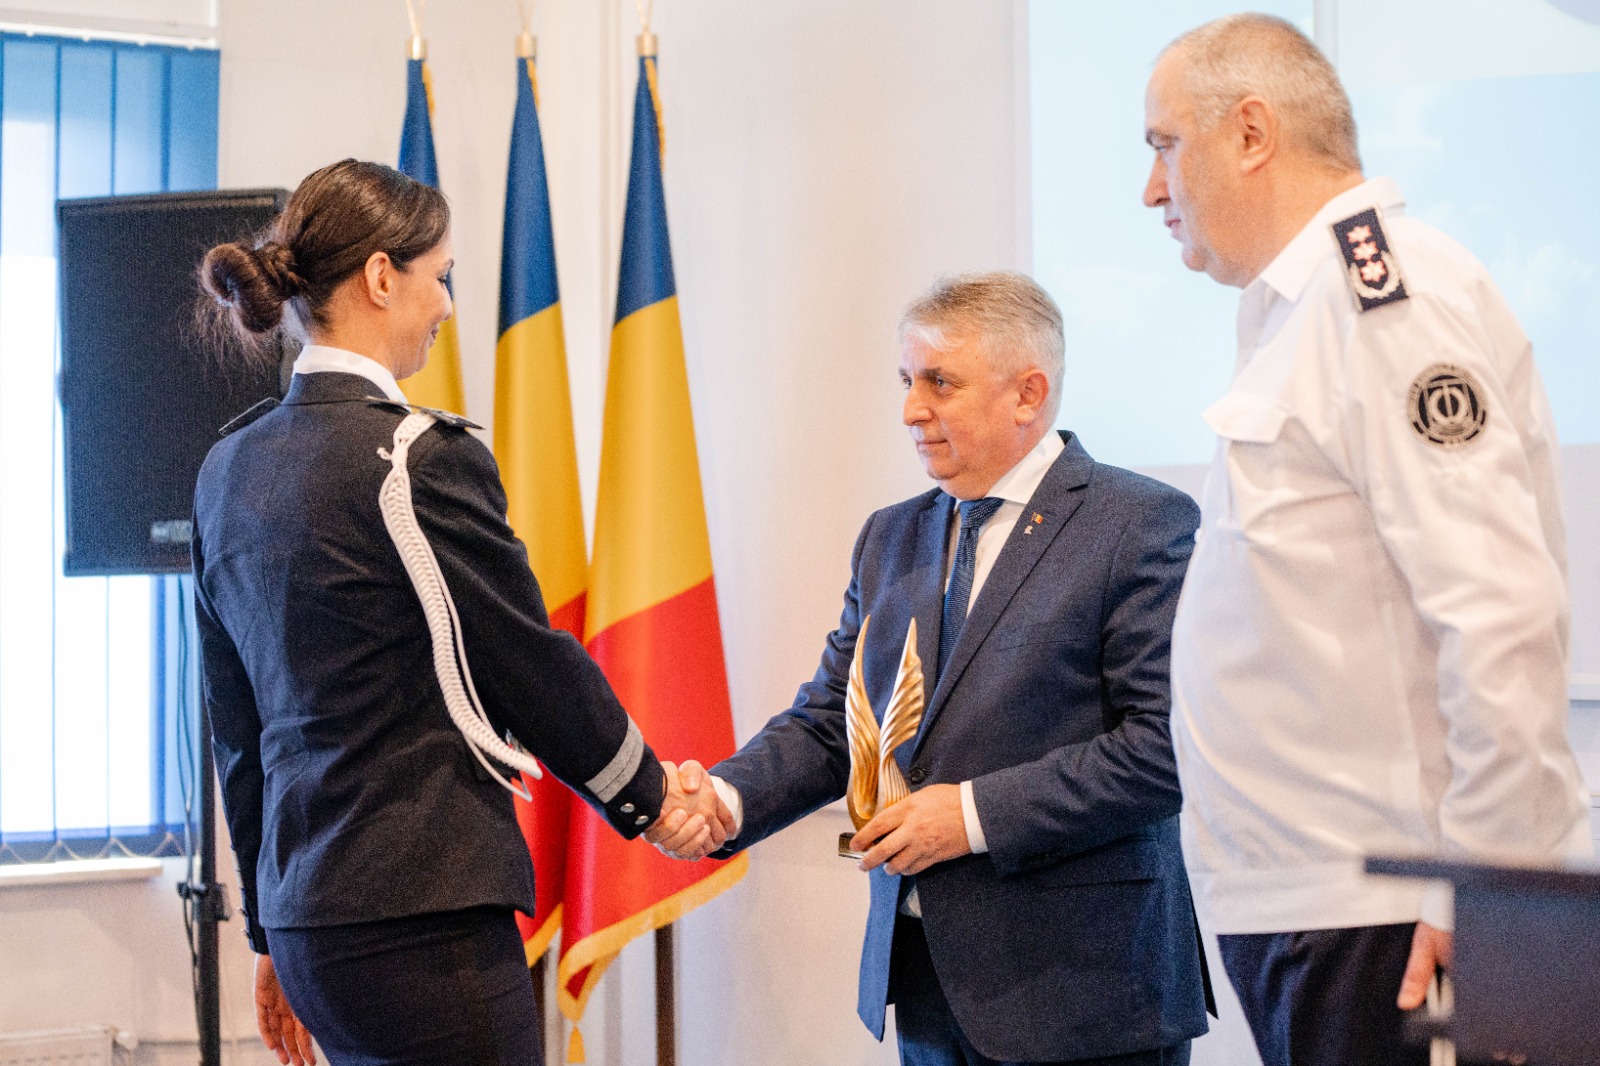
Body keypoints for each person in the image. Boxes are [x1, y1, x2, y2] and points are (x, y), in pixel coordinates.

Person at [193, 159, 722, 1066]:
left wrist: (269, 931)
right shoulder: (415, 460)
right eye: (440, 277)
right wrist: (651, 799)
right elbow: (528, 663)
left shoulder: (226, 468)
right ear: (381, 277)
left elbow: (237, 728)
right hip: (421, 919)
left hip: (312, 924)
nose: (445, 305)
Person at [1142, 15, 1593, 1066]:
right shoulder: (1297, 314)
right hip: (1316, 904)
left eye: (1164, 144)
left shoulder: (1383, 297)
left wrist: (1484, 886)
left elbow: (1496, 608)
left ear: (1251, 132)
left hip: (1384, 913)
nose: (1152, 188)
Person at [655, 272, 1211, 1065]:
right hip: (926, 984)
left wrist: (973, 816)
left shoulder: (1140, 523)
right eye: (906, 380)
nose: (911, 409)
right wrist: (725, 799)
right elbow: (833, 721)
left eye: (939, 383)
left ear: (1028, 394)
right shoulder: (891, 537)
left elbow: (1165, 748)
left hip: (1086, 993)